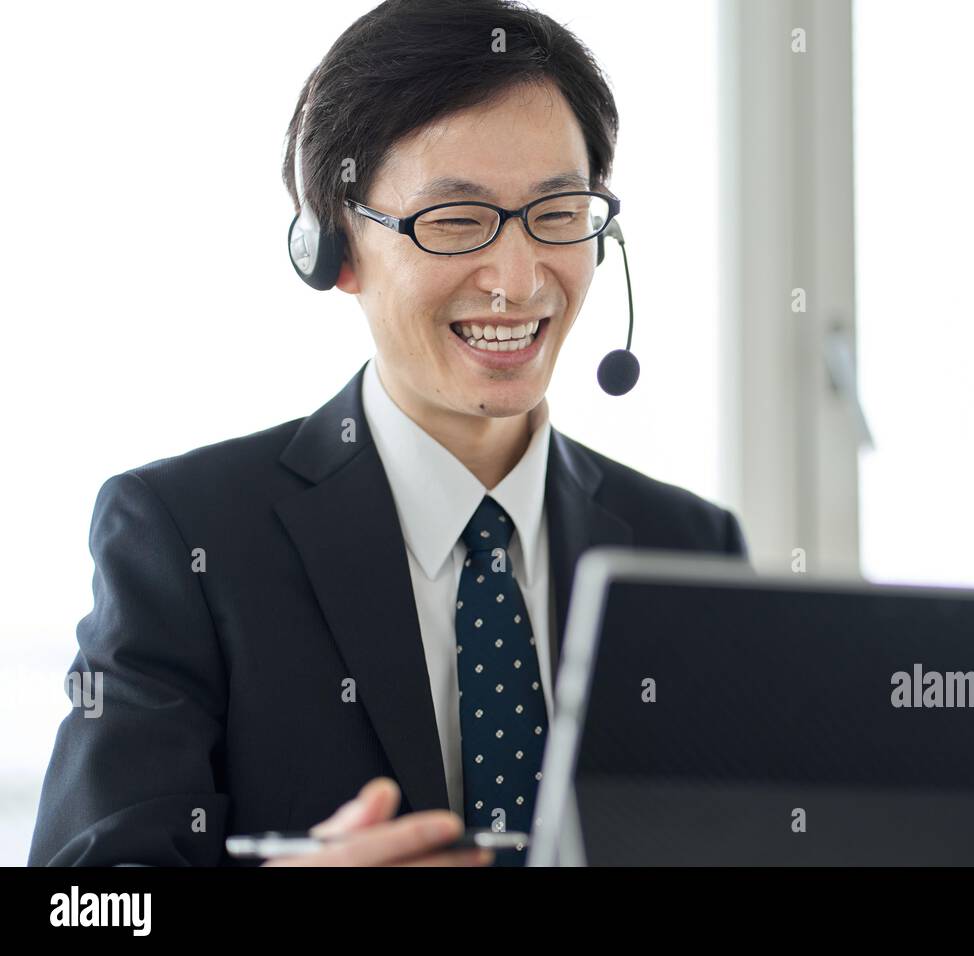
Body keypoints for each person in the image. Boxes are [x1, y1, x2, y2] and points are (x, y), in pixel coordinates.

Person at [28, 0, 747, 868]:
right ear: (335, 248)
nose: (517, 282)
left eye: (558, 214)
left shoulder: (691, 548)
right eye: (454, 221)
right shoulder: (184, 537)